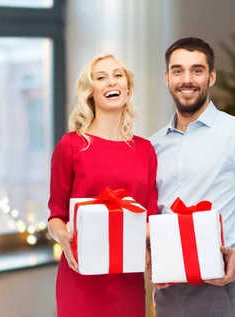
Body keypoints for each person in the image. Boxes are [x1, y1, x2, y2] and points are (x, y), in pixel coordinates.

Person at [149, 37, 235, 317]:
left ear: (211, 76)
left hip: (217, 283)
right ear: (167, 78)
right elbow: (149, 212)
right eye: (178, 71)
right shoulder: (152, 145)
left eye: (197, 70)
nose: (186, 79)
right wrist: (148, 254)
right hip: (166, 290)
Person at [47, 53, 158, 317]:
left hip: (126, 277)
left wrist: (131, 237)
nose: (112, 82)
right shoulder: (71, 146)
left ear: (127, 87)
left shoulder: (145, 150)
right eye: (101, 77)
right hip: (80, 277)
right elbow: (55, 217)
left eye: (118, 75)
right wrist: (62, 236)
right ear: (90, 92)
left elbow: (152, 216)